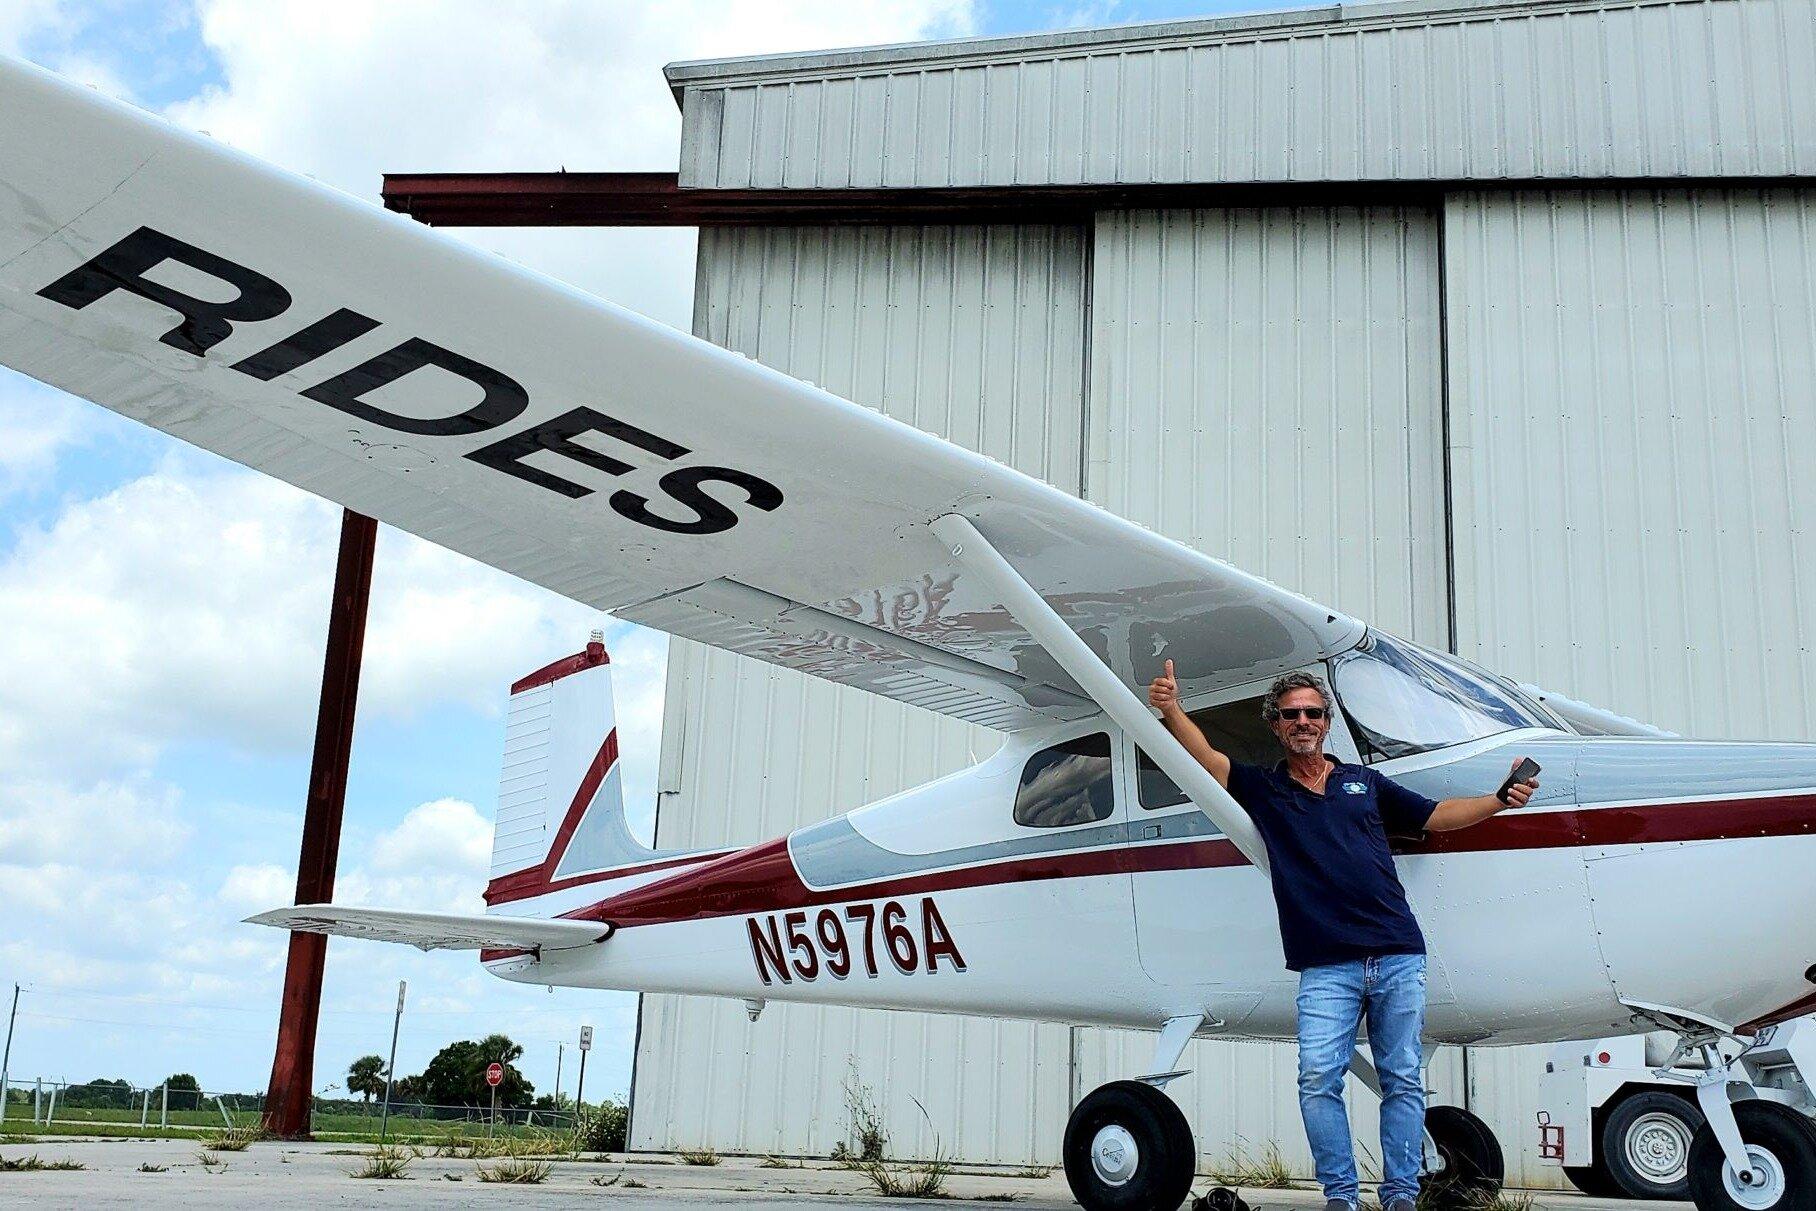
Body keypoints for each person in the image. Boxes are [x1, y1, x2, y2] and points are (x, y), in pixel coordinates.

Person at [1146, 660, 1537, 1211]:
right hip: (1326, 964)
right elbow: (1206, 760)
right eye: (1291, 715)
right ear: (1276, 726)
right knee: (1316, 1080)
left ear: (1326, 722)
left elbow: (1439, 815)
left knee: (1402, 1079)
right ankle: (1342, 1199)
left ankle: (1401, 1196)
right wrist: (1170, 711)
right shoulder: (1264, 789)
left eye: (1312, 712)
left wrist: (1499, 799)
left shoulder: (1365, 784)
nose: (1302, 721)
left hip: (1398, 953)